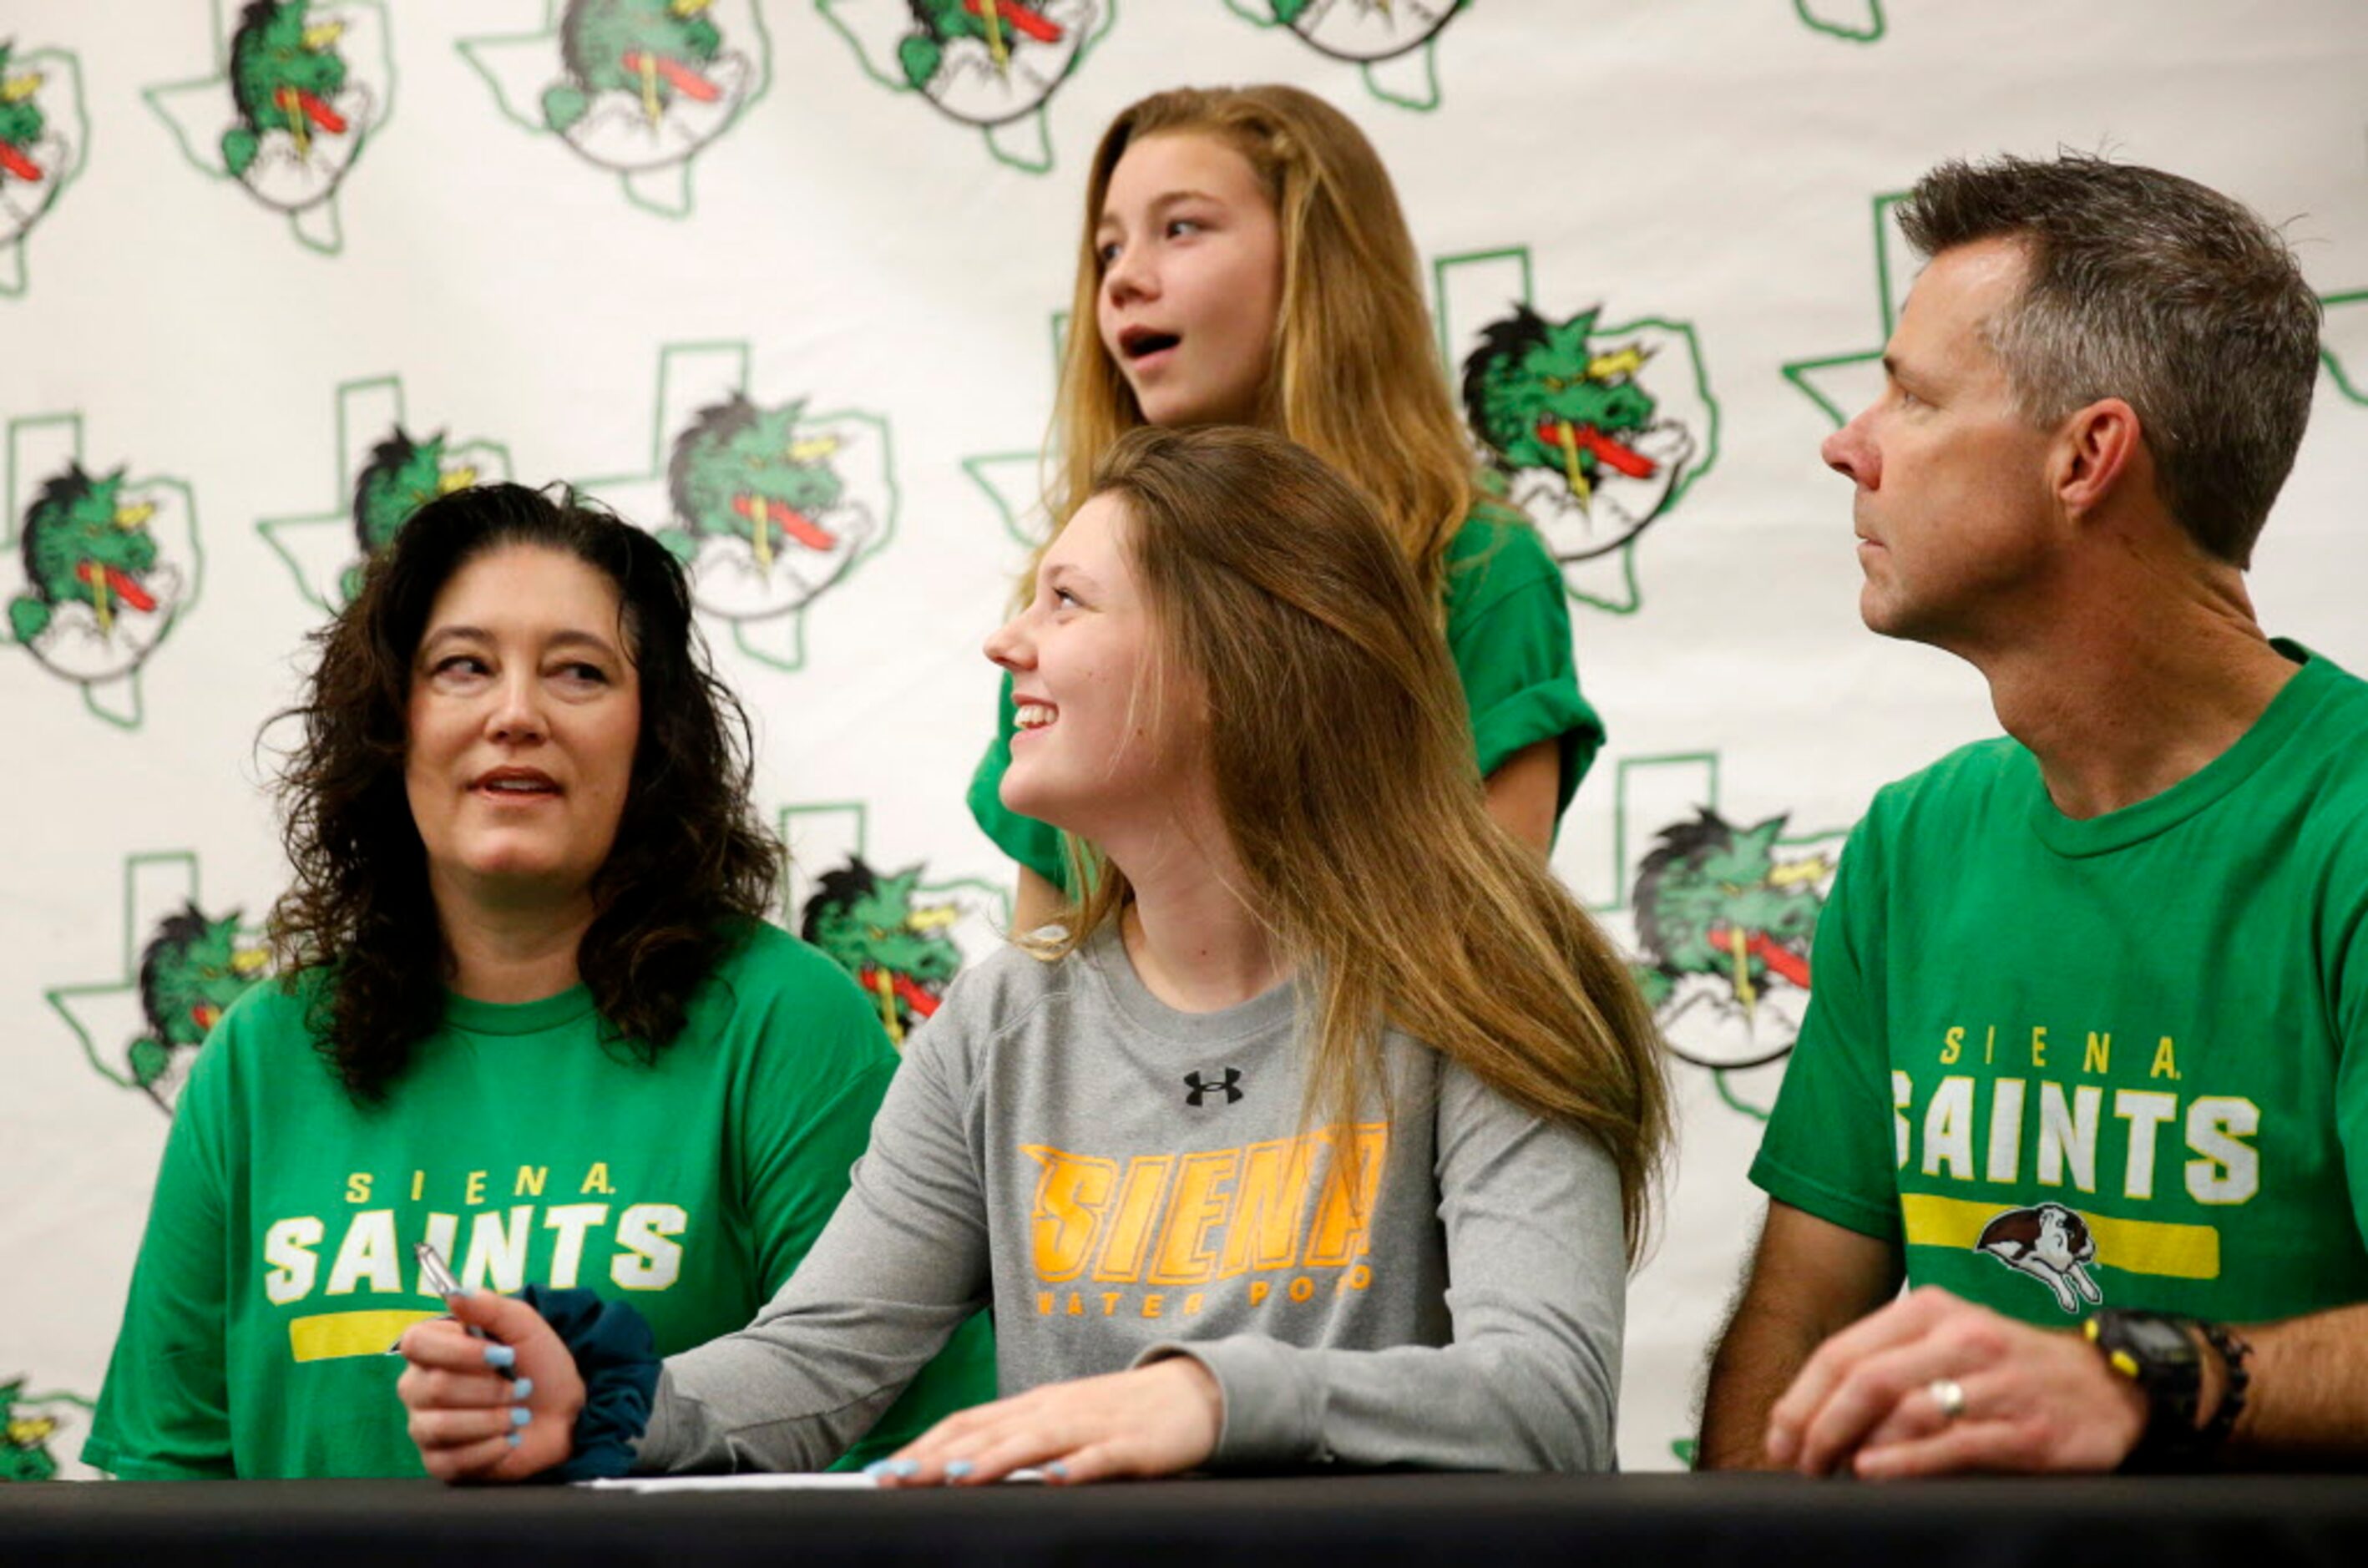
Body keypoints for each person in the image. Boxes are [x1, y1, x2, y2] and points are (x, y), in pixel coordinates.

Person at [397, 425, 1671, 1484]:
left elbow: (1544, 1401)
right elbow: (817, 1363)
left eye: (1065, 601)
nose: (1009, 645)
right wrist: (612, 1404)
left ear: (1232, 654)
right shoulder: (1002, 1019)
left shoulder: (1482, 978)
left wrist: (1209, 1402)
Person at [82, 483, 994, 1479]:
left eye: (578, 673)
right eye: (464, 667)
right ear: (392, 724)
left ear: (653, 736)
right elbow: (162, 1477)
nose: (516, 714)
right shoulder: (262, 1051)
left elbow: (911, 1461)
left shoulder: (785, 1023)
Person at [1696, 154, 2368, 1476]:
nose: (1851, 441)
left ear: (2086, 456)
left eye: (1914, 394)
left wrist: (2141, 1376)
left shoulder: (2346, 831)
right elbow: (1798, 1314)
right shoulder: (1915, 841)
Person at [970, 84, 1603, 934]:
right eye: (1108, 248)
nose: (1124, 278)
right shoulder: (1067, 609)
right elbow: (1041, 959)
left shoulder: (1478, 567)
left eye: (1181, 227)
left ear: (1319, 261)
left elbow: (1490, 958)